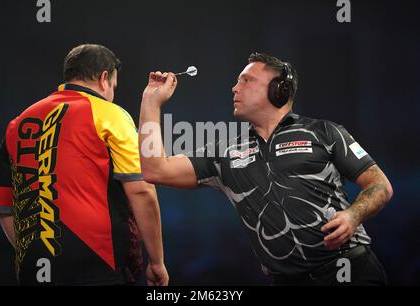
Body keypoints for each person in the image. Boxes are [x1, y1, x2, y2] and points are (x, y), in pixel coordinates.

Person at [138, 52, 393, 285]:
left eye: (246, 80)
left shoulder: (324, 132)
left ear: (278, 90)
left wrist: (353, 215)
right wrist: (151, 102)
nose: (234, 87)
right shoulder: (224, 154)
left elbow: (380, 185)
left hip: (352, 270)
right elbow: (155, 170)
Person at [0, 44, 168, 286]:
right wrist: (157, 262)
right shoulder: (110, 114)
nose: (112, 93)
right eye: (113, 87)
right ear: (104, 78)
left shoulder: (17, 123)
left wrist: (34, 253)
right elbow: (141, 189)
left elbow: (4, 207)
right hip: (99, 266)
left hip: (34, 269)